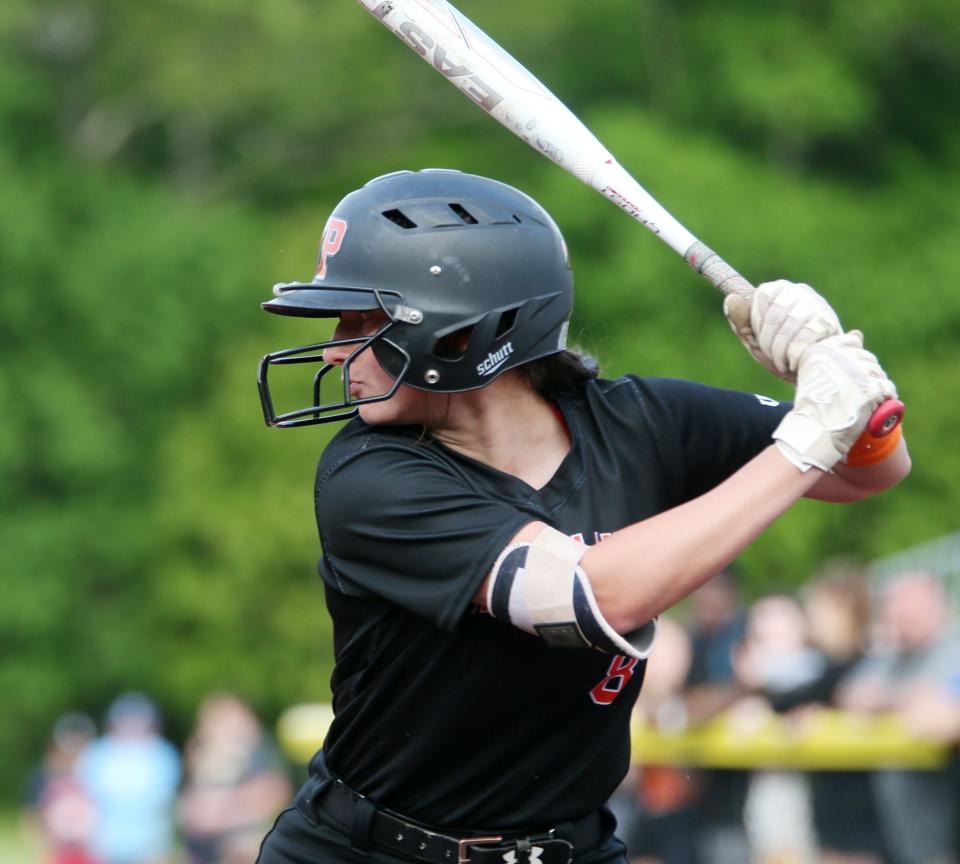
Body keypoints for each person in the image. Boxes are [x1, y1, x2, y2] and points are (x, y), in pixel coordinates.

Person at [254, 168, 910, 864]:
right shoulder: (368, 476)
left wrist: (839, 383)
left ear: (461, 331)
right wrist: (808, 434)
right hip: (371, 852)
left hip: (572, 847)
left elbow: (872, 471)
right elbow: (595, 595)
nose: (334, 347)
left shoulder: (640, 423)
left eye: (366, 318)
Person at [837, 570, 960, 864]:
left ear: (936, 606)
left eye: (910, 610)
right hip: (898, 832)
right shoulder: (892, 655)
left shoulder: (952, 651)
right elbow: (851, 695)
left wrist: (886, 702)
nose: (902, 617)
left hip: (941, 829)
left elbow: (938, 715)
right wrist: (903, 700)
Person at [178, 693, 293, 864]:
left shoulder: (261, 752)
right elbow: (189, 808)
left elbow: (275, 794)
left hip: (244, 841)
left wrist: (224, 811)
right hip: (202, 847)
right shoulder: (198, 753)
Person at [76, 692, 181, 864]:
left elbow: (164, 801)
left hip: (150, 843)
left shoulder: (162, 753)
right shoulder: (99, 753)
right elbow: (87, 797)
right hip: (105, 842)